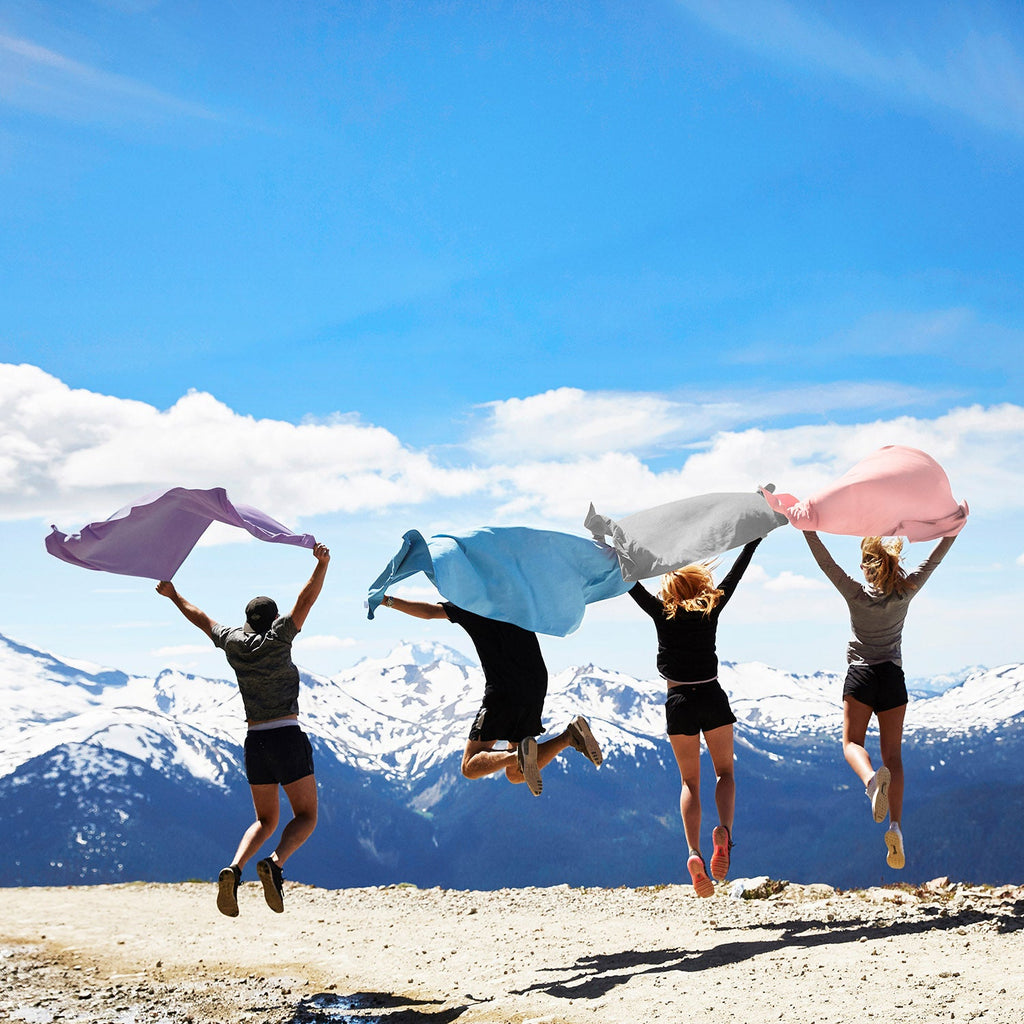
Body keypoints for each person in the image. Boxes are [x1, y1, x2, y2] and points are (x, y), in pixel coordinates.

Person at [156, 542, 330, 917]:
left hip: (255, 741)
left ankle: (234, 869)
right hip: (286, 734)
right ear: (275, 620)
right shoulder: (280, 636)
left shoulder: (234, 642)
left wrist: (173, 595)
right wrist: (322, 565)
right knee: (307, 816)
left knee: (265, 819)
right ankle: (276, 864)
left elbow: (201, 618)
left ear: (249, 621)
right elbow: (306, 601)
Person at [803, 531, 957, 871]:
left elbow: (825, 563)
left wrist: (807, 528)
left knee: (851, 743)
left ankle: (872, 781)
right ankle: (895, 827)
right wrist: (953, 531)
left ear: (867, 566)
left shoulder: (856, 594)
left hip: (861, 676)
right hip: (892, 678)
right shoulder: (905, 591)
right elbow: (934, 560)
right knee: (895, 757)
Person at [627, 539, 762, 897]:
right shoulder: (710, 608)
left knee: (690, 782)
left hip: (679, 700)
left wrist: (612, 550)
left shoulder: (661, 612)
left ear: (670, 588)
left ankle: (693, 852)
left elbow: (629, 582)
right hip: (712, 695)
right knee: (725, 773)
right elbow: (734, 576)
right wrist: (754, 539)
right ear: (700, 584)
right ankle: (725, 833)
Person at [378, 595, 602, 795]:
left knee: (469, 766)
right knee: (516, 775)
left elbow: (429, 612)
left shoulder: (472, 602)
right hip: (536, 683)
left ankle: (518, 755)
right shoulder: (518, 596)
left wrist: (385, 600)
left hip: (504, 688)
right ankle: (570, 736)